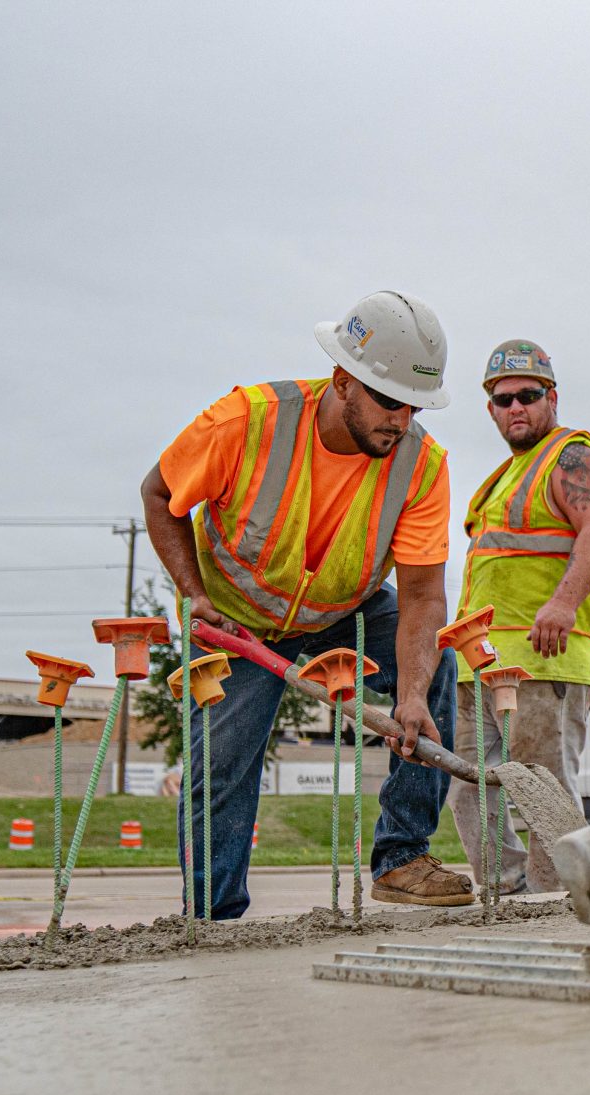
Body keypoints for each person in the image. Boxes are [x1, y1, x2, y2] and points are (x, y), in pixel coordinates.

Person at [138, 290, 471, 918]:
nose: (402, 421)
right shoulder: (246, 422)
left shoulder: (421, 466)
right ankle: (212, 916)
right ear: (343, 380)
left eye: (416, 406)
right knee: (222, 764)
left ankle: (402, 856)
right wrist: (194, 595)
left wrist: (412, 695)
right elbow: (160, 494)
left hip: (348, 610)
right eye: (390, 401)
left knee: (438, 666)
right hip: (238, 621)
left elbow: (424, 594)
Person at [445, 341, 590, 897]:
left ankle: (556, 896)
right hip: (481, 663)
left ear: (552, 397)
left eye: (529, 395)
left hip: (546, 657)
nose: (515, 407)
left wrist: (564, 602)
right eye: (503, 399)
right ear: (490, 408)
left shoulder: (572, 456)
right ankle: (509, 887)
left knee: (544, 789)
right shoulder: (502, 477)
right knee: (468, 788)